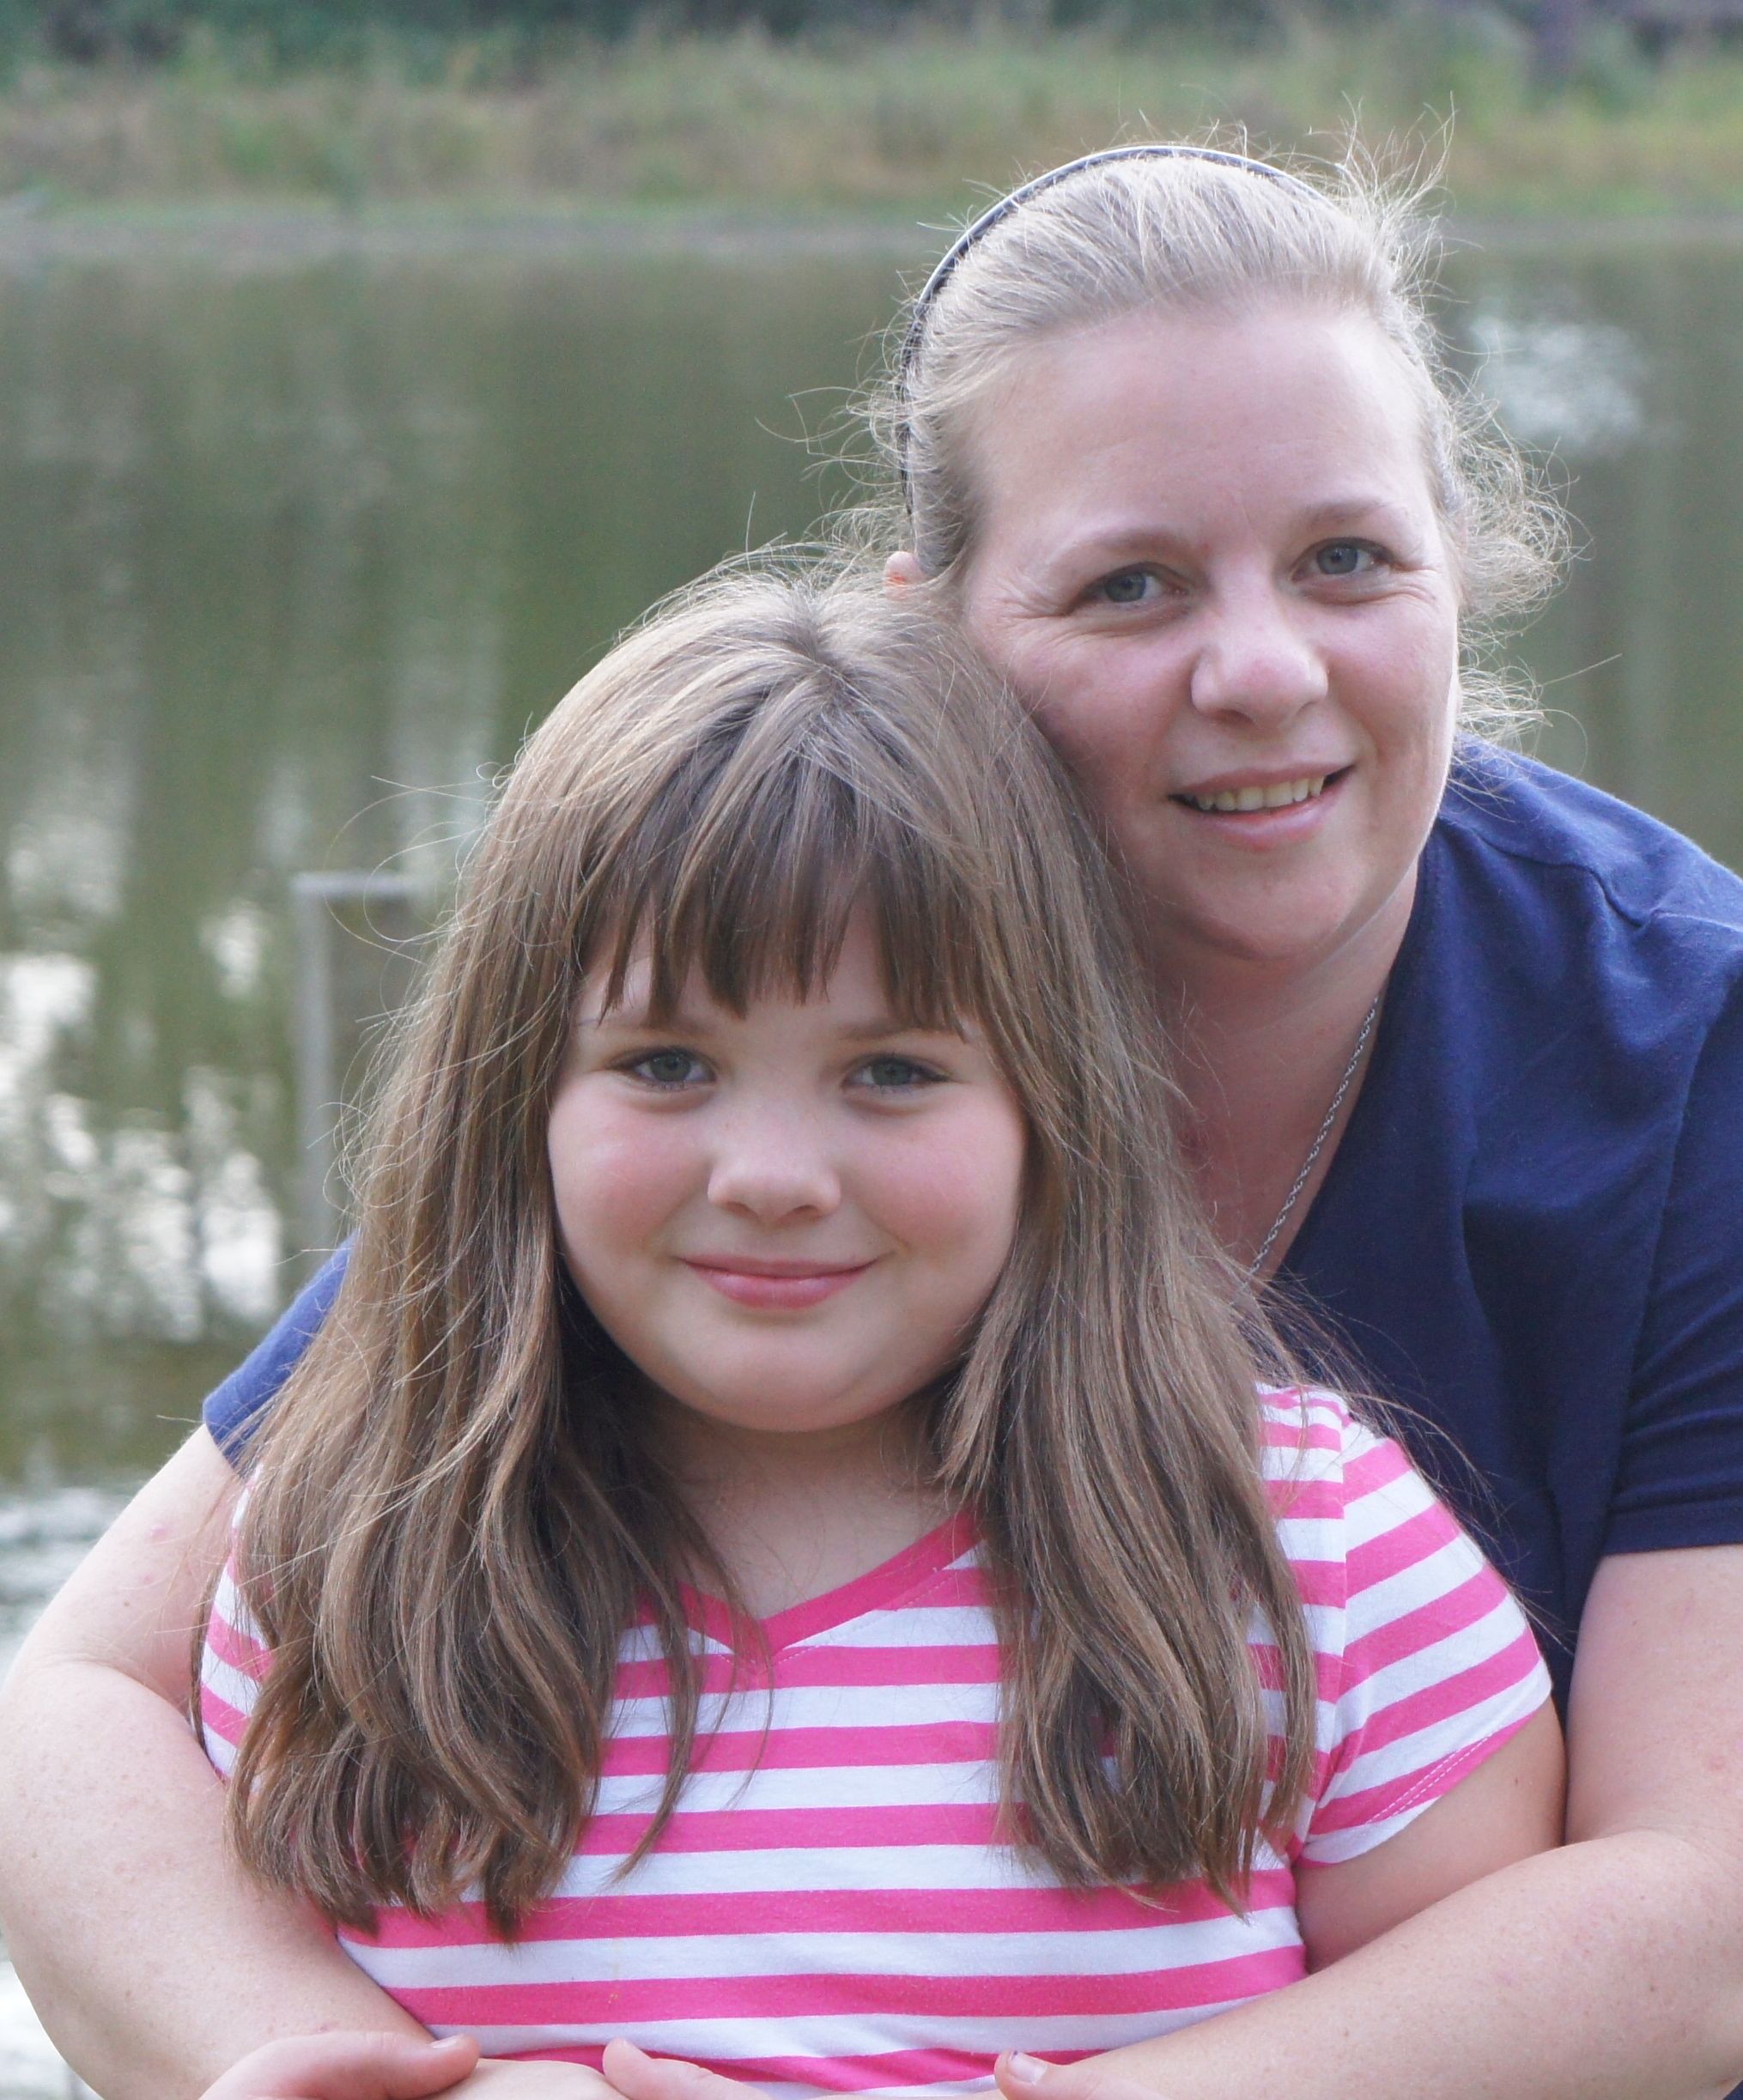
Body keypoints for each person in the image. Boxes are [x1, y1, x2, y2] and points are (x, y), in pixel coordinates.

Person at [3, 140, 1743, 2100]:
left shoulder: (1683, 1037)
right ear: (936, 634)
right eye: (1130, 582)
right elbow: (82, 1702)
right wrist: (355, 2073)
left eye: (1347, 558)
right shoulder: (752, 1019)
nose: (1263, 669)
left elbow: (1704, 1929)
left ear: (1455, 565)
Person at [198, 570, 1556, 2088]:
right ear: (514, 1098)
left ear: (1053, 1106)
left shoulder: (1315, 1554)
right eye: (665, 1063)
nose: (771, 1176)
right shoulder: (341, 1563)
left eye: (893, 1071)